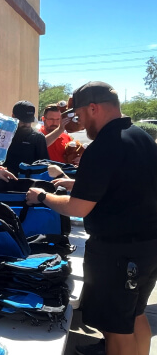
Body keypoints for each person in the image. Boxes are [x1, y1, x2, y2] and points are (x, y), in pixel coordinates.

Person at [26, 81, 157, 355]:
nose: (80, 124)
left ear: (93, 108)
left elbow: (78, 208)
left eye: (80, 116)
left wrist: (42, 197)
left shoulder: (104, 146)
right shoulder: (139, 136)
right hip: (147, 247)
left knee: (115, 329)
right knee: (135, 315)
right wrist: (73, 183)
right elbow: (122, 184)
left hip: (119, 254)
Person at [3, 100, 49, 176]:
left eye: (29, 121)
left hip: (27, 183)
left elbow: (43, 166)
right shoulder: (4, 134)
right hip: (3, 182)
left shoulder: (38, 138)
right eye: (23, 121)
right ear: (13, 116)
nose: (27, 124)